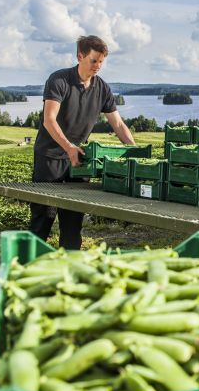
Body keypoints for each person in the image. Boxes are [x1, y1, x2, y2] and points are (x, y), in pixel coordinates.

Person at [29, 35, 135, 249]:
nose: (98, 66)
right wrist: (68, 147)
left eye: (101, 62)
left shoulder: (102, 88)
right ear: (80, 56)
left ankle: (69, 269)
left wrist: (135, 152)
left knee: (73, 221)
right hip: (49, 158)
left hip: (78, 160)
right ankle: (26, 269)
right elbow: (49, 120)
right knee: (44, 217)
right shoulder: (59, 81)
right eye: (93, 60)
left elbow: (118, 125)